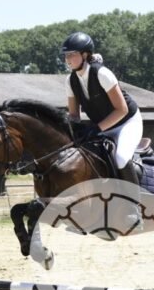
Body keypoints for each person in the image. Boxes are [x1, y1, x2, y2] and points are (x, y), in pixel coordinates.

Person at [61, 31, 144, 226]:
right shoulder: (70, 81)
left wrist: (96, 128)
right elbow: (74, 115)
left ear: (85, 55)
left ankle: (135, 209)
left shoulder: (102, 73)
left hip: (127, 122)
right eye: (66, 55)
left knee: (121, 157)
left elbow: (122, 109)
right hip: (103, 126)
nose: (68, 59)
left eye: (72, 54)